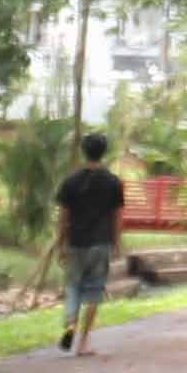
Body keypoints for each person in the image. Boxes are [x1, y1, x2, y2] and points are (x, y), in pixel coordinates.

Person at [52, 131, 129, 352]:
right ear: (103, 153)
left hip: (76, 242)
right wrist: (117, 243)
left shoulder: (70, 181)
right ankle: (83, 342)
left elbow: (63, 216)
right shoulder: (113, 182)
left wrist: (60, 243)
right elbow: (118, 217)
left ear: (83, 152)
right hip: (101, 242)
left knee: (73, 287)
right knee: (95, 291)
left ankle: (70, 325)